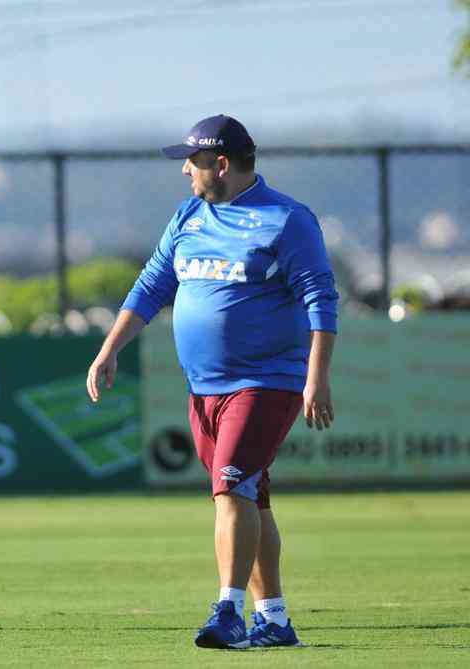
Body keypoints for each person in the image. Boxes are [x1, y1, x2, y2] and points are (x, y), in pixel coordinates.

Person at [86, 115, 337, 650]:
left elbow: (320, 298)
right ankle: (274, 619)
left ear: (220, 164)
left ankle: (228, 612)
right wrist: (110, 349)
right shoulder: (189, 215)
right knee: (249, 498)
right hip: (204, 387)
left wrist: (316, 378)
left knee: (230, 490)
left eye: (192, 160)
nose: (184, 169)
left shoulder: (286, 220)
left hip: (266, 381)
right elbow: (153, 284)